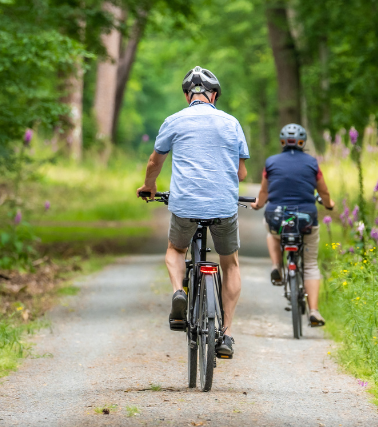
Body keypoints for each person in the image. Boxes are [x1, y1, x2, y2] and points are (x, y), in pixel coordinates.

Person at [136, 66, 249, 357]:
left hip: (185, 204)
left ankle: (179, 292)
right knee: (231, 263)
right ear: (214, 96)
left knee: (175, 250)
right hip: (223, 205)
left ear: (188, 95)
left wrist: (149, 186)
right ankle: (226, 335)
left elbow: (154, 162)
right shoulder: (231, 123)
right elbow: (242, 172)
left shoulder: (174, 121)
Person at [250, 123, 334, 327]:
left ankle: (277, 265)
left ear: (282, 142)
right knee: (311, 264)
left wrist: (258, 204)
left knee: (270, 230)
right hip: (306, 219)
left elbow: (264, 192)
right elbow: (323, 192)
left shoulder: (271, 162)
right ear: (302, 142)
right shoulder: (312, 163)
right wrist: (329, 204)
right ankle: (314, 311)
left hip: (277, 217)